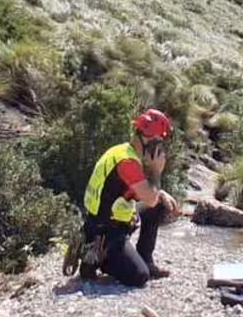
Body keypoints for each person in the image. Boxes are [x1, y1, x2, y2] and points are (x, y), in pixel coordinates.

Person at [76, 108, 181, 287]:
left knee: (158, 204)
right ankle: (98, 257)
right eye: (158, 143)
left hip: (114, 219)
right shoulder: (128, 162)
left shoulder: (124, 151)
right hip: (106, 230)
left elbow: (129, 191)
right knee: (139, 276)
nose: (160, 148)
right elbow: (149, 199)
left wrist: (160, 193)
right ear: (148, 139)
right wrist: (156, 172)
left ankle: (145, 259)